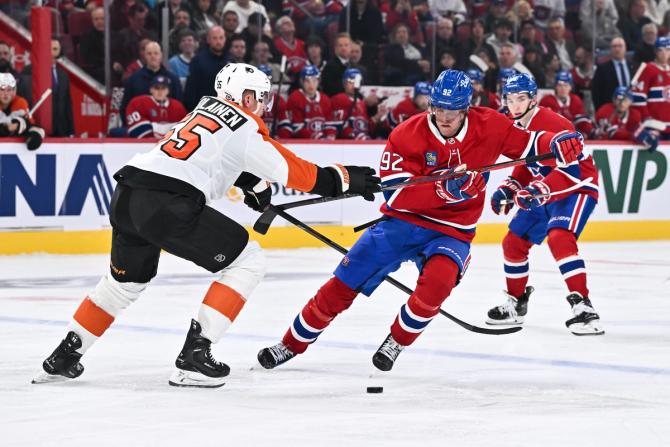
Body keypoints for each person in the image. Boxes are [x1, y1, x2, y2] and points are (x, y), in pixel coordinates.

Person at [34, 63, 381, 387]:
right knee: (247, 261)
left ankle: (65, 355)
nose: (263, 105)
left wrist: (252, 184)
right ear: (246, 98)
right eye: (260, 97)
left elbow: (211, 156)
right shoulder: (245, 125)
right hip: (166, 202)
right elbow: (297, 173)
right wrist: (348, 180)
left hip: (127, 195)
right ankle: (194, 357)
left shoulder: (202, 109)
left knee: (121, 285)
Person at [256, 69, 587, 371]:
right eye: (439, 109)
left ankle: (396, 340)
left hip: (452, 231)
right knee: (343, 281)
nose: (444, 117)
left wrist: (556, 141)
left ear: (466, 108)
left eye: (452, 111)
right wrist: (445, 190)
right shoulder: (406, 134)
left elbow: (529, 144)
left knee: (437, 285)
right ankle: (291, 343)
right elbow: (395, 194)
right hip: (401, 223)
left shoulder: (492, 125)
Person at [487, 73, 603, 335]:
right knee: (513, 243)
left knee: (560, 237)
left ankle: (584, 307)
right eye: (510, 99)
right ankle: (516, 304)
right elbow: (529, 164)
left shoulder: (553, 123)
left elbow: (571, 171)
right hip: (546, 190)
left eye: (521, 99)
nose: (514, 105)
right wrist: (511, 186)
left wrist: (539, 188)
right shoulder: (513, 125)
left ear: (533, 99)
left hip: (576, 187)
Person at [120, 41, 183, 124]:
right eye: (149, 54)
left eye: (156, 53)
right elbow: (125, 107)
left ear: (161, 55)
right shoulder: (134, 79)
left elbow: (179, 106)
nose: (153, 56)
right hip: (141, 128)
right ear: (144, 56)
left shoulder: (173, 79)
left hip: (167, 128)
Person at [630, 36, 670, 143]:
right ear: (655, 52)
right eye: (661, 50)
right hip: (654, 126)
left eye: (667, 50)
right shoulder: (648, 69)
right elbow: (638, 97)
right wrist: (647, 117)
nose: (664, 53)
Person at [285, 65, 337, 139]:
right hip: (301, 144)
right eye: (307, 81)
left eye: (314, 80)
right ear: (302, 82)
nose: (311, 84)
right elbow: (296, 127)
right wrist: (315, 137)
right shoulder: (295, 98)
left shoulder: (325, 99)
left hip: (322, 140)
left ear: (318, 81)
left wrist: (330, 135)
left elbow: (330, 124)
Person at [331, 68, 385, 139]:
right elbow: (339, 124)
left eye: (356, 82)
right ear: (344, 83)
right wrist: (354, 135)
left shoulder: (361, 103)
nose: (354, 85)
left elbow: (364, 127)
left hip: (361, 140)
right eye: (351, 82)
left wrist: (376, 118)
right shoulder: (339, 99)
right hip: (347, 142)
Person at [183, 26, 228, 110]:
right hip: (204, 110)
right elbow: (191, 90)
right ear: (208, 40)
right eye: (214, 38)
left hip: (226, 111)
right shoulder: (198, 61)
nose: (218, 41)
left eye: (221, 38)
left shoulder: (231, 60)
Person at [539, 70, 594, 137]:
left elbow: (582, 122)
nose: (563, 88)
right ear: (556, 86)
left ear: (571, 87)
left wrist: (590, 132)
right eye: (560, 85)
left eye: (566, 85)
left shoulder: (575, 100)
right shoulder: (546, 101)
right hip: (551, 137)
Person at [0, 72, 44, 150]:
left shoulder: (21, 103)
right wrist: (6, 129)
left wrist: (34, 135)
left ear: (14, 91)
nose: (6, 94)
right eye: (2, 89)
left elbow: (32, 126)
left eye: (9, 90)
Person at [590, 37, 632, 111]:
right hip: (610, 110)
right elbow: (596, 92)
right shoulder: (602, 68)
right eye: (614, 46)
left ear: (625, 48)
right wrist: (600, 110)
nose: (617, 49)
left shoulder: (633, 67)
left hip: (631, 109)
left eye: (620, 46)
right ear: (610, 49)